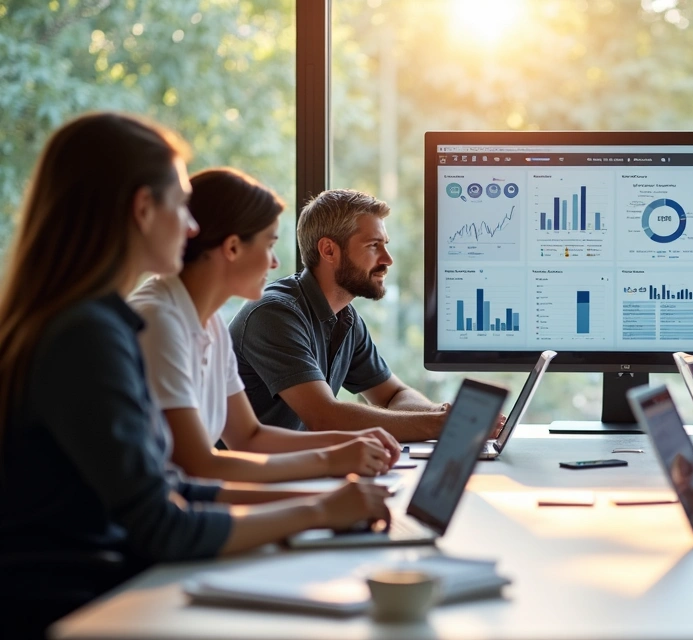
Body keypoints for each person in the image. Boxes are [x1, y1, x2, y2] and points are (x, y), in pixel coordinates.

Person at [0, 113, 391, 638]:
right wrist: (318, 510)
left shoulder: (91, 321)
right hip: (81, 606)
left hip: (102, 588)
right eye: (182, 206)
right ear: (143, 209)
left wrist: (325, 501)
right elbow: (164, 522)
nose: (191, 227)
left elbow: (175, 487)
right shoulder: (89, 335)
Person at [129, 167, 402, 482]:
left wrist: (354, 443)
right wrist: (327, 473)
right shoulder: (159, 321)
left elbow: (250, 437)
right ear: (232, 248)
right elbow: (198, 468)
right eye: (269, 245)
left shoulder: (211, 324)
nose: (275, 263)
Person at [229, 189, 452, 442]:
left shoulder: (345, 319)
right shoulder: (274, 314)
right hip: (246, 478)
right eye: (373, 245)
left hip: (295, 472)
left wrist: (441, 413)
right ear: (329, 251)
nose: (387, 260)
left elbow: (392, 396)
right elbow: (325, 417)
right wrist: (443, 426)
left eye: (385, 245)